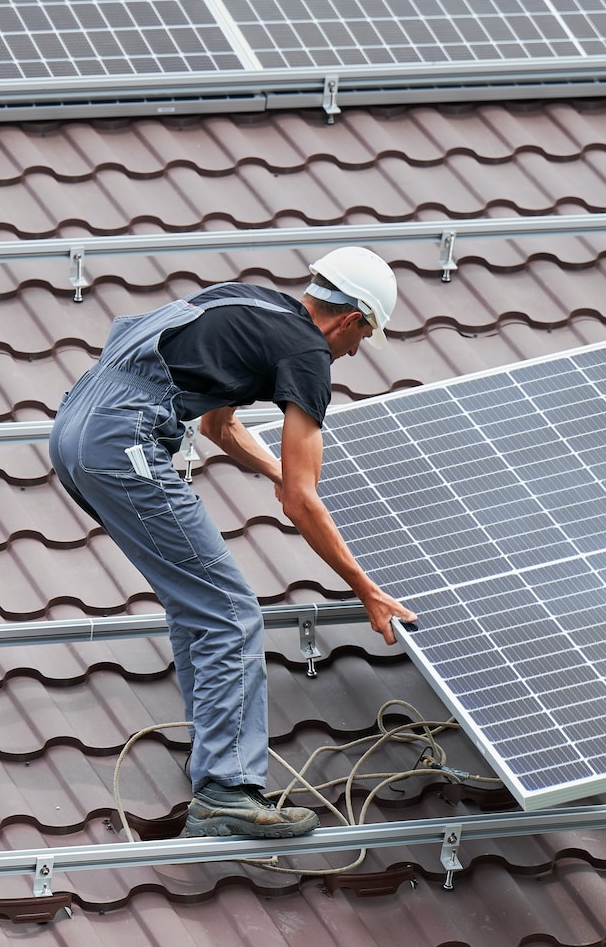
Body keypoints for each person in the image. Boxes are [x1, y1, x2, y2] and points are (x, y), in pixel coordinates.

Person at [49, 247, 417, 838]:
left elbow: (220, 427)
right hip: (123, 441)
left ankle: (214, 760)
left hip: (77, 430)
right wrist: (366, 588)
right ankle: (227, 790)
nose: (353, 353)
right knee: (230, 611)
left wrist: (276, 473)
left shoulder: (250, 304)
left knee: (196, 601)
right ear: (349, 320)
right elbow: (301, 500)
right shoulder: (308, 351)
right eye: (363, 337)